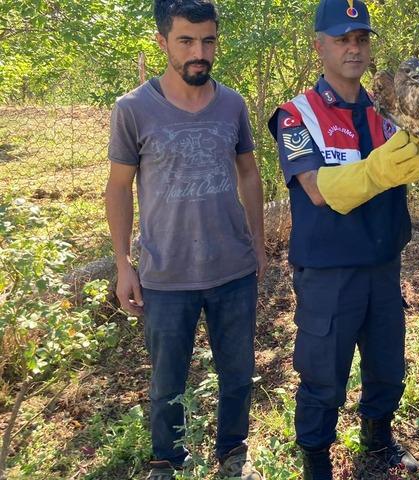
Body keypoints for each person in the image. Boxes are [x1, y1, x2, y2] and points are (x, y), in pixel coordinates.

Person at [265, 0, 419, 477]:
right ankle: (316, 456)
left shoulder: (390, 113)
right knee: (322, 373)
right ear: (320, 46)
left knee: (387, 365)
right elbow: (316, 188)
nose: (353, 48)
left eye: (360, 39)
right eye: (342, 39)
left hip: (383, 265)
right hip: (329, 271)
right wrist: (377, 169)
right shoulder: (298, 115)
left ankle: (378, 438)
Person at [105, 1, 266, 479]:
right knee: (166, 381)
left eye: (208, 40)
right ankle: (166, 460)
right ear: (162, 41)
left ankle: (233, 454)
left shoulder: (233, 104)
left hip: (233, 270)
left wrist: (258, 244)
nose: (200, 52)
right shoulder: (133, 109)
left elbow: (250, 175)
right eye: (186, 41)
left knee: (237, 374)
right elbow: (118, 187)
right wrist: (122, 263)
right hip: (165, 273)